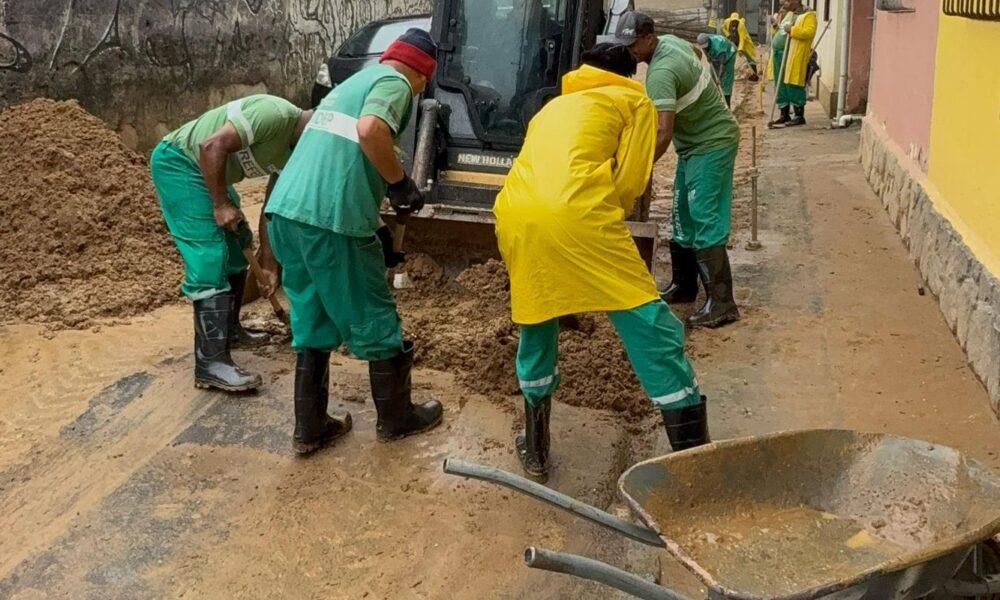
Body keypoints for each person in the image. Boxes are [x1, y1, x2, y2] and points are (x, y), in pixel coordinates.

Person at [494, 43, 710, 482]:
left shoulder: (553, 107)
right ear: (630, 76)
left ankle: (535, 448)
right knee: (651, 324)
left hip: (513, 213)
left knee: (537, 320)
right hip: (578, 214)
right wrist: (605, 213)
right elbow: (631, 180)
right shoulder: (634, 101)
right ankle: (694, 460)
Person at [264, 29, 443, 455]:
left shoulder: (350, 84)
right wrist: (399, 184)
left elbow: (340, 156)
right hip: (330, 221)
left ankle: (309, 428)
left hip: (285, 214)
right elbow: (370, 131)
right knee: (372, 313)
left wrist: (376, 228)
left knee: (312, 318)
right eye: (424, 84)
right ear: (422, 75)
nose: (419, 91)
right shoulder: (395, 83)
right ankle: (397, 418)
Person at [151, 95, 312, 393]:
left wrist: (268, 262)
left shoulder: (297, 153)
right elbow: (210, 146)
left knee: (239, 244)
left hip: (212, 173)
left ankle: (230, 331)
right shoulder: (273, 114)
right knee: (209, 254)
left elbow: (272, 206)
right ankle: (210, 363)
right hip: (180, 162)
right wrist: (220, 203)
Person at [615, 11, 741, 328]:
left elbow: (662, 132)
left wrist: (639, 170)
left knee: (703, 214)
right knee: (681, 213)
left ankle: (723, 303)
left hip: (712, 143)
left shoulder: (660, 73)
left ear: (649, 37)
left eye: (633, 45)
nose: (629, 51)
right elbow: (696, 56)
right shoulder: (671, 42)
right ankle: (685, 286)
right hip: (693, 145)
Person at [769, 0, 817, 127]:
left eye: (786, 0)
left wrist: (793, 30)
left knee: (793, 83)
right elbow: (781, 30)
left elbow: (809, 32)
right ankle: (784, 114)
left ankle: (799, 115)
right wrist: (775, 26)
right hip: (779, 54)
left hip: (793, 54)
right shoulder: (790, 14)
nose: (784, 3)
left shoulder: (809, 15)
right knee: (780, 84)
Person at [697, 33, 737, 108]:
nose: (704, 48)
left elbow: (722, 64)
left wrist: (719, 77)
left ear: (708, 42)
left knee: (725, 80)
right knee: (712, 77)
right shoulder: (705, 40)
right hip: (717, 54)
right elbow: (704, 48)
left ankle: (727, 106)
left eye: (706, 46)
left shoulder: (719, 48)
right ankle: (714, 101)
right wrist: (707, 57)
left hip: (728, 55)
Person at [723, 11, 758, 81]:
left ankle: (754, 75)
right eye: (733, 21)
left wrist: (740, 49)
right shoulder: (727, 22)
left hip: (745, 44)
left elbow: (742, 38)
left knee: (750, 58)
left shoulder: (741, 25)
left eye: (736, 21)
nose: (734, 22)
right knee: (731, 56)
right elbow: (723, 28)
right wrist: (728, 35)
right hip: (733, 42)